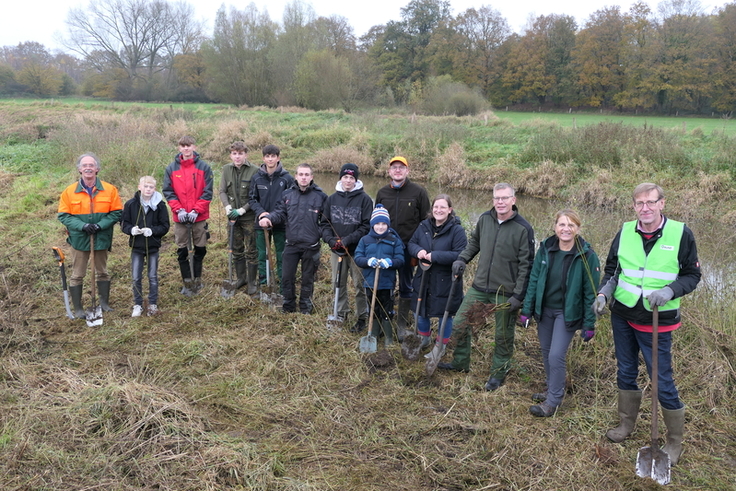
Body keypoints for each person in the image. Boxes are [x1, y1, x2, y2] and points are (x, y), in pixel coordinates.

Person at [592, 183, 700, 466]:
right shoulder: (626, 231)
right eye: (639, 203)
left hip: (658, 318)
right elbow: (613, 269)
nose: (645, 208)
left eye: (650, 202)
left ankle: (674, 442)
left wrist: (670, 291)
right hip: (623, 314)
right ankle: (626, 424)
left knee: (661, 379)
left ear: (662, 203)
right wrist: (604, 292)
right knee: (626, 369)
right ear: (634, 206)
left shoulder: (681, 233)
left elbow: (692, 275)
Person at [439, 183, 535, 392]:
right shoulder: (484, 219)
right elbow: (475, 242)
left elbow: (527, 265)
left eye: (504, 198)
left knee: (502, 335)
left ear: (513, 200)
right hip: (480, 286)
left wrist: (518, 295)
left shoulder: (523, 228)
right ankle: (460, 363)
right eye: (496, 198)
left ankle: (498, 374)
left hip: (505, 292)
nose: (500, 202)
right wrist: (462, 259)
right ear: (493, 200)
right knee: (461, 323)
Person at [519, 209, 600, 417]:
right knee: (546, 353)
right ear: (555, 227)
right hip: (545, 310)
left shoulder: (587, 255)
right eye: (562, 224)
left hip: (567, 313)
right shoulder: (546, 248)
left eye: (571, 225)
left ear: (578, 229)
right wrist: (527, 309)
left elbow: (591, 293)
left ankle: (553, 402)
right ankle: (552, 387)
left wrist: (589, 323)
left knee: (556, 355)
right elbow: (534, 279)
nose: (566, 229)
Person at [57, 153, 123, 318]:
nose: (88, 168)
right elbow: (63, 215)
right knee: (77, 275)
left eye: (91, 165)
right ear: (79, 169)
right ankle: (78, 309)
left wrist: (100, 225)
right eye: (85, 165)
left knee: (103, 272)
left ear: (97, 169)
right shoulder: (69, 192)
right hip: (79, 240)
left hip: (101, 238)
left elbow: (117, 213)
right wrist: (83, 226)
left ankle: (104, 304)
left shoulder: (110, 189)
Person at [258, 163, 326, 314]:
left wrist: (317, 233)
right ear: (296, 176)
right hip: (292, 244)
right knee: (287, 277)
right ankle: (288, 306)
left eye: (306, 175)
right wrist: (269, 218)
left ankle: (305, 308)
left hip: (311, 246)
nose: (303, 177)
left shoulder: (321, 196)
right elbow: (280, 213)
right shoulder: (287, 195)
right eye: (301, 174)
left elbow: (327, 222)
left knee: (307, 279)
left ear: (311, 177)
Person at [375, 156, 430, 340]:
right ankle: (386, 320)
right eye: (394, 168)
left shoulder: (418, 192)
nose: (397, 170)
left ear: (407, 171)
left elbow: (426, 222)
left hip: (409, 247)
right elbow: (377, 221)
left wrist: (420, 247)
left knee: (407, 285)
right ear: (389, 172)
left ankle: (402, 324)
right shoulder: (382, 193)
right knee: (386, 284)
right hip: (386, 247)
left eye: (401, 167)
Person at [407, 194, 467, 349]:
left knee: (445, 315)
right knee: (419, 311)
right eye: (436, 207)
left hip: (446, 280)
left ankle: (441, 344)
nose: (438, 210)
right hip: (423, 277)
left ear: (450, 210)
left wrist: (436, 256)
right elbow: (411, 243)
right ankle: (424, 338)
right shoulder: (423, 226)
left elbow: (461, 254)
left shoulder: (457, 230)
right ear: (431, 209)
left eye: (443, 207)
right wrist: (418, 250)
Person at [321, 163, 373, 332]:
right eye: (345, 177)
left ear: (356, 180)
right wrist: (330, 240)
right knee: (338, 282)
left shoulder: (365, 199)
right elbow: (324, 224)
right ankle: (341, 312)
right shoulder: (331, 199)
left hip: (357, 250)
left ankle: (362, 316)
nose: (348, 180)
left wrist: (348, 240)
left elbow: (366, 226)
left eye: (352, 178)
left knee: (359, 284)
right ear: (341, 178)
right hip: (337, 250)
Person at [163, 135, 214, 296]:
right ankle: (187, 281)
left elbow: (207, 192)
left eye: (189, 145)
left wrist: (195, 210)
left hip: (198, 217)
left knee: (200, 248)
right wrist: (179, 210)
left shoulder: (204, 167)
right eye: (183, 145)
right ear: (179, 148)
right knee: (183, 250)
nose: (186, 148)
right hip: (181, 218)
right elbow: (168, 192)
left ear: (194, 147)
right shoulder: (171, 169)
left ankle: (197, 279)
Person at [354, 205, 405, 346]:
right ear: (372, 225)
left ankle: (388, 336)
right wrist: (368, 261)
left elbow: (400, 260)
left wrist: (390, 262)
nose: (381, 227)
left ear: (388, 225)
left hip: (387, 283)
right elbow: (358, 258)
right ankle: (374, 333)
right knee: (373, 307)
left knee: (387, 308)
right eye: (377, 223)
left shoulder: (394, 241)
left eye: (384, 224)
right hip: (369, 282)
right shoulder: (365, 240)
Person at [120, 176, 170, 317]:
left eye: (151, 187)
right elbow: (124, 223)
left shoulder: (160, 205)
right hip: (137, 246)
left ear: (155, 189)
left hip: (153, 247)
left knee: (152, 276)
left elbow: (165, 226)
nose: (148, 189)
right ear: (139, 187)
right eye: (146, 187)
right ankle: (138, 304)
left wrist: (152, 231)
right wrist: (131, 230)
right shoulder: (131, 204)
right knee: (136, 277)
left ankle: (152, 304)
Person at [249, 144, 294, 290]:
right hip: (261, 223)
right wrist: (261, 213)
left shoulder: (287, 179)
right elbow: (252, 199)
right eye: (267, 156)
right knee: (262, 254)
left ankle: (282, 284)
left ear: (278, 158)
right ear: (263, 158)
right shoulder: (256, 178)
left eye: (273, 156)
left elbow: (290, 200)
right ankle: (264, 283)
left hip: (280, 224)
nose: (270, 159)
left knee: (281, 254)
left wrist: (276, 216)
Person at [219, 141, 260, 294]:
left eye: (240, 153)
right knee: (236, 249)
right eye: (234, 153)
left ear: (245, 154)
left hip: (248, 217)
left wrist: (243, 210)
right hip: (232, 218)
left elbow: (255, 195)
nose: (237, 157)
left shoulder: (255, 170)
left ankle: (252, 282)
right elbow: (222, 191)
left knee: (251, 250)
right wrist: (227, 206)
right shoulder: (226, 169)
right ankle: (241, 278)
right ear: (231, 155)